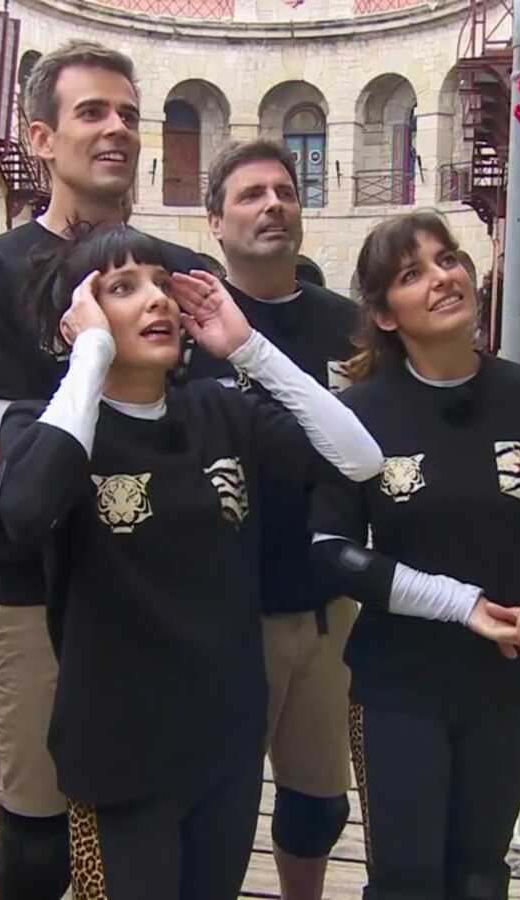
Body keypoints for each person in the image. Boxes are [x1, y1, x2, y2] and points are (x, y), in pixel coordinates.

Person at [0, 224, 384, 899]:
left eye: (162, 285)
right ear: (78, 320)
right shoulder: (44, 424)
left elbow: (359, 459)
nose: (157, 301)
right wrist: (88, 357)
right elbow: (24, 513)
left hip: (223, 745)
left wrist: (250, 349)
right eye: (123, 287)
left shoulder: (221, 413)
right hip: (116, 755)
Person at [0, 41, 199, 900]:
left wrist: (49, 442)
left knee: (151, 824)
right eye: (93, 112)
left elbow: (190, 424)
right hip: (36, 592)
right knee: (37, 835)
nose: (117, 129)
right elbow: (13, 475)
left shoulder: (172, 267)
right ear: (41, 137)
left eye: (129, 114)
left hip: (152, 586)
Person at [308, 211, 520, 900]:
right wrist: (462, 606)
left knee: (480, 877)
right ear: (386, 315)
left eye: (448, 259)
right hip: (398, 684)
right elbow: (329, 553)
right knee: (408, 879)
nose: (442, 278)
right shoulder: (359, 413)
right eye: (412, 274)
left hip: (507, 683)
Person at [187, 139, 361, 900]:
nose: (272, 205)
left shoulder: (349, 327)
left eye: (285, 191)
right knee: (215, 803)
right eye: (251, 194)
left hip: (325, 603)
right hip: (219, 613)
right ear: (215, 222)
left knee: (317, 803)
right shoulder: (182, 324)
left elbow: (366, 454)